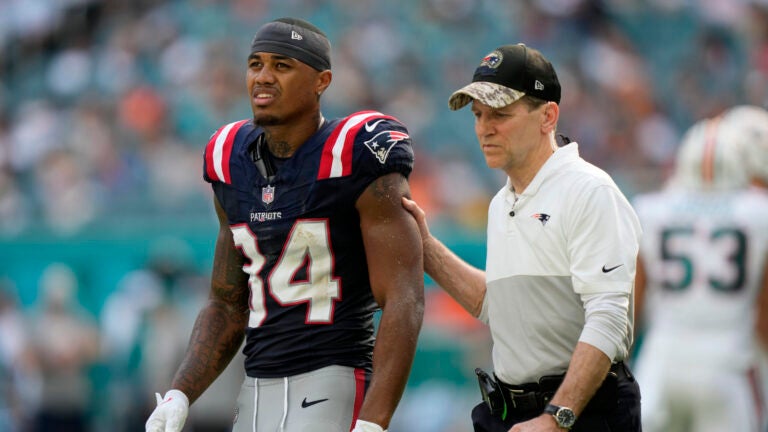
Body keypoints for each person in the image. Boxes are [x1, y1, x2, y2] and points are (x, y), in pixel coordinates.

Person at [145, 17, 424, 432]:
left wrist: (374, 421)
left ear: (321, 81)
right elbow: (226, 303)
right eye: (255, 64)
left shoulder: (354, 152)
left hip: (333, 377)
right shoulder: (229, 158)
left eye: (282, 65)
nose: (263, 77)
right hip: (256, 386)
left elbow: (403, 299)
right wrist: (180, 392)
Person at [401, 43, 642, 431]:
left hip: (581, 412)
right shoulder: (502, 202)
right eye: (478, 115)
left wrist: (556, 417)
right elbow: (499, 306)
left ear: (548, 115)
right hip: (512, 413)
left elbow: (610, 319)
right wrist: (425, 247)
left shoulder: (589, 190)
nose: (484, 127)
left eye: (500, 114)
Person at [632, 105, 768, 432]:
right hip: (729, 362)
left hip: (661, 360)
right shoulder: (758, 214)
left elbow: (629, 313)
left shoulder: (651, 209)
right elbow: (764, 319)